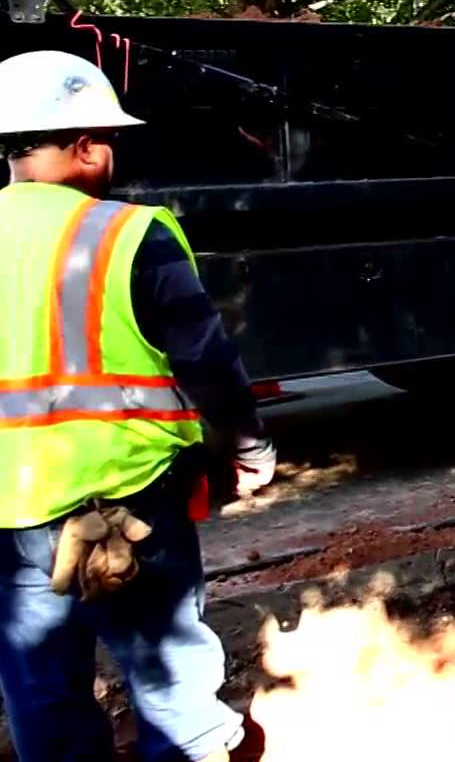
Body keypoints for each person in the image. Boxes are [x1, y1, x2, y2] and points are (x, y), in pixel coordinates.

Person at [0, 50, 275, 761]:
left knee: (42, 692)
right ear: (86, 146)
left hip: (10, 514)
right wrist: (249, 449)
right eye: (109, 140)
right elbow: (206, 361)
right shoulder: (125, 233)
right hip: (126, 503)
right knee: (170, 684)